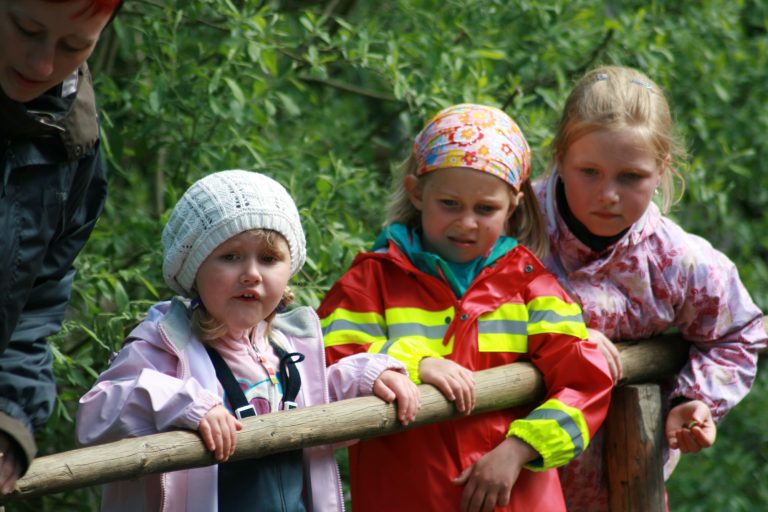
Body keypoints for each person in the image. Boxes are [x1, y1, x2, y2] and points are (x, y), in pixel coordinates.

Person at [317, 104, 613, 512]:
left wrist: (518, 450)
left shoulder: (534, 288)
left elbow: (586, 385)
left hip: (519, 499)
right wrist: (414, 364)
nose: (467, 223)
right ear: (417, 192)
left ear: (513, 204)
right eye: (450, 204)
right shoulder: (372, 281)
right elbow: (328, 361)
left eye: (485, 209)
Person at [76, 170, 416, 511]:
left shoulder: (288, 347)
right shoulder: (167, 344)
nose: (251, 273)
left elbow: (319, 402)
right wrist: (185, 405)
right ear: (193, 268)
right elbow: (96, 415)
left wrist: (368, 377)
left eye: (268, 259)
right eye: (231, 256)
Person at [535, 65, 767, 511]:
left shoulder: (678, 261)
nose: (607, 194)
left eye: (630, 177)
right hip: (507, 485)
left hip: (625, 493)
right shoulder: (509, 229)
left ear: (661, 170)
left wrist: (695, 400)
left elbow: (740, 333)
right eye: (589, 172)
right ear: (560, 156)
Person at [0, 0, 123, 495]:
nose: (42, 65)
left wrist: (9, 419)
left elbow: (31, 313)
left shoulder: (74, 151)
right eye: (25, 29)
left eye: (75, 46)